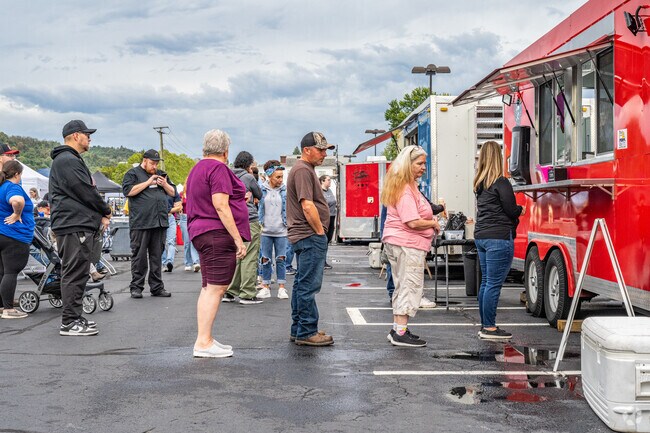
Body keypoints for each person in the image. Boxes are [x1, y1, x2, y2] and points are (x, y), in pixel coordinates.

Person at [187, 129, 249, 358]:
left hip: (201, 231)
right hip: (215, 232)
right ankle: (203, 342)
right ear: (226, 151)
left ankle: (206, 338)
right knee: (216, 288)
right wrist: (237, 238)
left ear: (204, 149)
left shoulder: (197, 169)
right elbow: (221, 204)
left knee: (209, 287)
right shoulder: (218, 168)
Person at [50, 120, 112, 336]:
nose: (90, 138)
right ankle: (69, 322)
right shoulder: (66, 160)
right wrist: (105, 210)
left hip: (76, 224)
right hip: (73, 224)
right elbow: (85, 190)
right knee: (75, 273)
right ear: (76, 136)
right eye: (87, 134)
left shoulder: (68, 159)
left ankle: (75, 317)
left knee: (77, 273)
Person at [381, 145, 439, 348]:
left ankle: (399, 329)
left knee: (402, 286)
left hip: (401, 243)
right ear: (408, 164)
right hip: (407, 244)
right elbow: (411, 221)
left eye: (424, 163)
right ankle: (400, 333)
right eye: (420, 163)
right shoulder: (406, 189)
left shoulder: (405, 185)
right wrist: (433, 223)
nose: (424, 167)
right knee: (409, 286)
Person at [287, 132, 335, 346]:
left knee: (301, 284)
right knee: (308, 285)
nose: (324, 153)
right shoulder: (303, 170)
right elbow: (307, 205)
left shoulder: (303, 170)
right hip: (308, 235)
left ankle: (300, 329)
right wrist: (319, 232)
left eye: (325, 149)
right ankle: (307, 331)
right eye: (320, 149)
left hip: (303, 235)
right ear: (307, 150)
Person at [473, 140, 525, 340]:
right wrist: (522, 210)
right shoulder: (501, 182)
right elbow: (511, 210)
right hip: (499, 237)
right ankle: (489, 327)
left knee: (486, 282)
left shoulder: (479, 183)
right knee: (493, 284)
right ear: (498, 157)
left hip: (482, 236)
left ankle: (486, 324)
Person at [122, 149, 176, 299]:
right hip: (141, 223)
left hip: (159, 221)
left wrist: (164, 184)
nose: (154, 166)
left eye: (157, 163)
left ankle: (157, 287)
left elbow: (173, 193)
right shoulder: (132, 174)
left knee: (157, 256)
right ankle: (136, 287)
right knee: (139, 257)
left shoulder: (161, 174)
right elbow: (128, 191)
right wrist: (148, 182)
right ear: (144, 160)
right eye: (152, 163)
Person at [224, 151, 263, 304]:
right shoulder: (248, 177)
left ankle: (230, 291)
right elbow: (259, 194)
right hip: (249, 219)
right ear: (249, 164)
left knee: (237, 255)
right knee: (249, 256)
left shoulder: (227, 174)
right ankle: (247, 293)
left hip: (231, 220)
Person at [0, 161, 34, 319]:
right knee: (11, 272)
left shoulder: (1, 187)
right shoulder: (12, 187)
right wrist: (16, 214)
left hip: (2, 234)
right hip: (14, 236)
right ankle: (8, 309)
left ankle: (2, 306)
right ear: (17, 174)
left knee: (2, 272)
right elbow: (18, 201)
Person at [258, 160, 289, 299]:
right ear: (269, 176)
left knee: (281, 259)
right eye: (278, 177)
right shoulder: (261, 190)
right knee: (265, 259)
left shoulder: (285, 190)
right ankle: (265, 286)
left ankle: (282, 287)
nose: (281, 179)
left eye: (282, 176)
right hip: (265, 230)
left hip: (281, 230)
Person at [179, 184, 200, 272]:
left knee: (193, 240)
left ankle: (196, 262)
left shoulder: (196, 194)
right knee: (187, 241)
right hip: (184, 217)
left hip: (194, 217)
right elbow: (178, 204)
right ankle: (188, 262)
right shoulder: (181, 194)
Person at [319, 175, 337, 270]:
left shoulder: (329, 191)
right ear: (322, 181)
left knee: (328, 239)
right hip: (324, 218)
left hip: (332, 216)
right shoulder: (319, 191)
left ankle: (323, 261)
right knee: (323, 240)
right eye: (328, 180)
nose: (330, 182)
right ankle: (321, 261)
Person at [162, 191, 182, 273]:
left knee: (171, 241)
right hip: (161, 218)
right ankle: (164, 263)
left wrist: (168, 210)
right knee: (161, 242)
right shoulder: (157, 190)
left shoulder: (171, 190)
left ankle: (169, 262)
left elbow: (179, 207)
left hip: (170, 218)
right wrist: (171, 209)